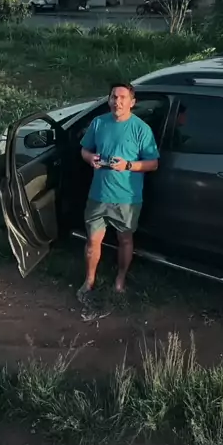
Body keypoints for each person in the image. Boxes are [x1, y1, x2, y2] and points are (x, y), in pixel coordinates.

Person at [79, 83, 159, 299]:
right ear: (109, 100)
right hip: (98, 194)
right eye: (114, 97)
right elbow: (84, 150)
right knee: (92, 241)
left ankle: (120, 280)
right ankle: (89, 280)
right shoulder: (99, 123)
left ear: (132, 102)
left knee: (125, 240)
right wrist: (90, 158)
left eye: (123, 98)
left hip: (127, 198)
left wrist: (128, 165)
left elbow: (153, 164)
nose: (118, 102)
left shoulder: (141, 129)